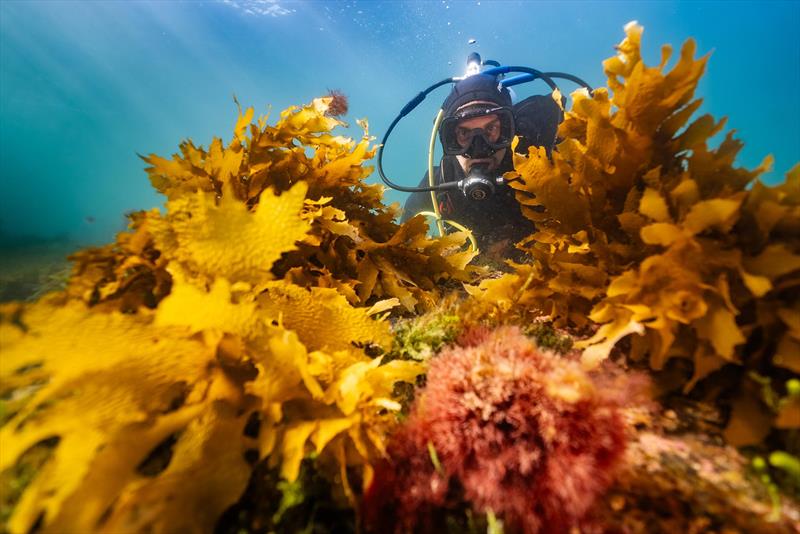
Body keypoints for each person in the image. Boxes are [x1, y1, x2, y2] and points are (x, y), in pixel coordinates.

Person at [401, 72, 563, 257]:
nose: (479, 148)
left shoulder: (541, 159)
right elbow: (403, 234)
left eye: (491, 129)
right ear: (449, 139)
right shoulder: (440, 183)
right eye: (464, 134)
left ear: (509, 131)